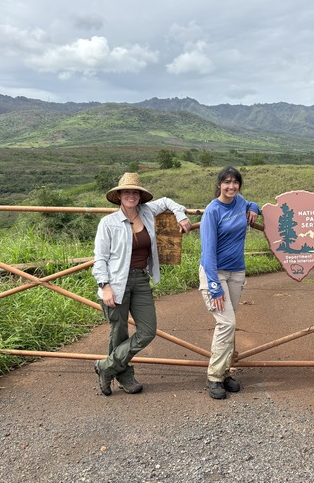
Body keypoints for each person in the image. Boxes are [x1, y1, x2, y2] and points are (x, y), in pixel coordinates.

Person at [92, 172, 191, 396]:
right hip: (117, 282)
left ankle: (105, 366)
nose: (131, 195)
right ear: (119, 196)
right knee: (118, 332)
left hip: (141, 279)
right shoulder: (108, 223)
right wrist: (104, 285)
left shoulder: (147, 212)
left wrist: (180, 214)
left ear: (140, 195)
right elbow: (100, 258)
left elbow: (166, 201)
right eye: (127, 191)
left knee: (147, 330)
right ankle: (125, 377)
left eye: (135, 191)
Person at [199, 166, 259, 400]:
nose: (231, 186)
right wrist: (213, 285)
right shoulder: (212, 211)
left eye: (235, 182)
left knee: (229, 323)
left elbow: (251, 203)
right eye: (226, 182)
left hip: (237, 273)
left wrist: (253, 207)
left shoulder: (240, 201)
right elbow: (207, 252)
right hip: (215, 274)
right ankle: (214, 375)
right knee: (226, 323)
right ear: (219, 185)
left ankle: (224, 373)